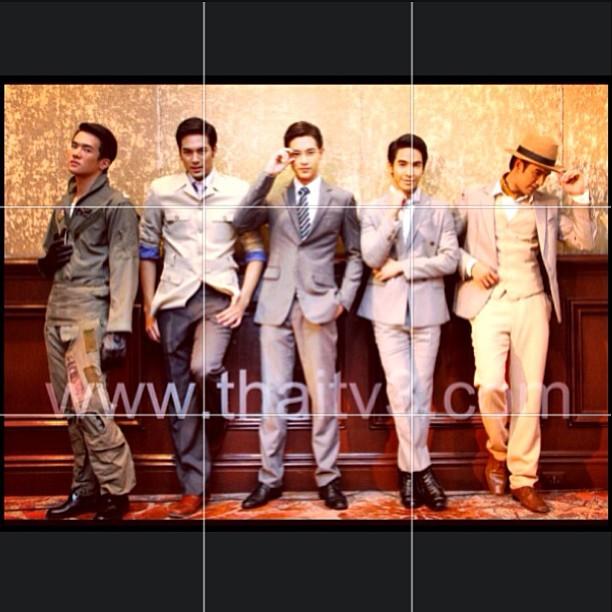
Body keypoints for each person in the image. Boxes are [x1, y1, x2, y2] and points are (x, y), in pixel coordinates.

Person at [453, 133, 594, 513]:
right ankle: (498, 452)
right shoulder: (475, 197)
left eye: (545, 175)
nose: (539, 181)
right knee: (490, 385)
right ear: (517, 164)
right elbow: (447, 243)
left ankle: (523, 478)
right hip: (488, 302)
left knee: (529, 393)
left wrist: (578, 196)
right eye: (535, 173)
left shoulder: (547, 204)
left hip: (532, 302)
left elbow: (584, 240)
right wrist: (471, 265)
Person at [139, 118, 265, 519]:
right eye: (188, 151)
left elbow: (255, 250)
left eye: (202, 151)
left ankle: (217, 417)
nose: (195, 158)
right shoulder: (161, 191)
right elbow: (147, 251)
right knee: (179, 397)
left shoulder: (237, 191)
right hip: (173, 301)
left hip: (218, 298)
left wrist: (242, 300)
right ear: (180, 153)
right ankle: (193, 487)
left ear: (214, 150)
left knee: (203, 368)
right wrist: (149, 307)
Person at [234, 120, 363, 510]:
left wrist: (343, 299)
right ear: (288, 156)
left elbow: (356, 254)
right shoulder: (274, 197)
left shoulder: (341, 199)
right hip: (275, 304)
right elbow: (241, 221)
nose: (303, 160)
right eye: (296, 154)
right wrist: (267, 173)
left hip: (320, 306)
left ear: (321, 153)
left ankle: (329, 478)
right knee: (272, 398)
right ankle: (268, 479)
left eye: (310, 152)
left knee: (323, 397)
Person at [40, 122, 139, 521]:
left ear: (104, 162)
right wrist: (45, 262)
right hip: (56, 311)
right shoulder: (64, 203)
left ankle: (117, 490)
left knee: (91, 407)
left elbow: (125, 266)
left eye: (86, 149)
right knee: (70, 408)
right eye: (74, 145)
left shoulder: (117, 206)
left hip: (88, 315)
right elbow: (49, 257)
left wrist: (117, 329)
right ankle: (85, 489)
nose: (76, 152)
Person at [358, 134, 459, 510]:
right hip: (387, 313)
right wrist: (392, 216)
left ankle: (410, 471)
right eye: (402, 164)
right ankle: (421, 469)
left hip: (427, 311)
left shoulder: (439, 209)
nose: (409, 171)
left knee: (421, 391)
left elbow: (450, 260)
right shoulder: (373, 209)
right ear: (391, 167)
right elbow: (372, 257)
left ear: (424, 168)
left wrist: (403, 266)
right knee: (401, 390)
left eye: (416, 164)